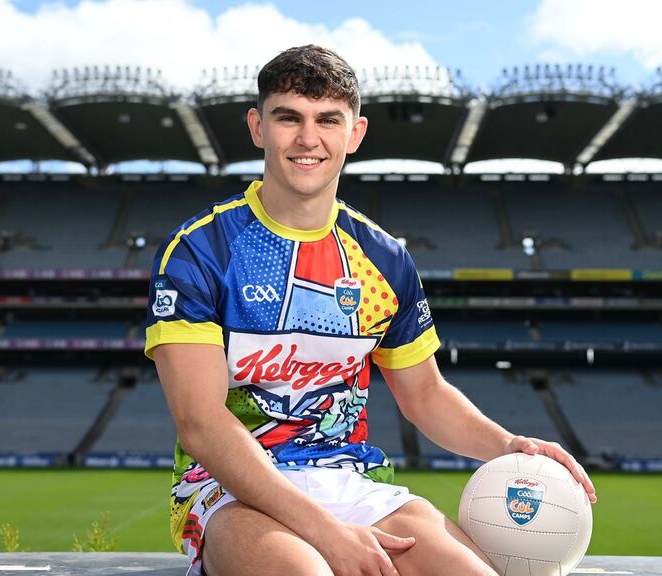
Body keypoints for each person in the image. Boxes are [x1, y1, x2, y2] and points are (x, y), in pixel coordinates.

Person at [145, 44, 596, 576]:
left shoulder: (382, 258)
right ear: (257, 127)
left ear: (355, 133)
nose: (307, 138)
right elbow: (200, 423)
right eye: (288, 118)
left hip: (348, 479)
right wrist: (329, 535)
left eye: (327, 120)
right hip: (229, 490)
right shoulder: (201, 250)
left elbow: (425, 395)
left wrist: (508, 445)